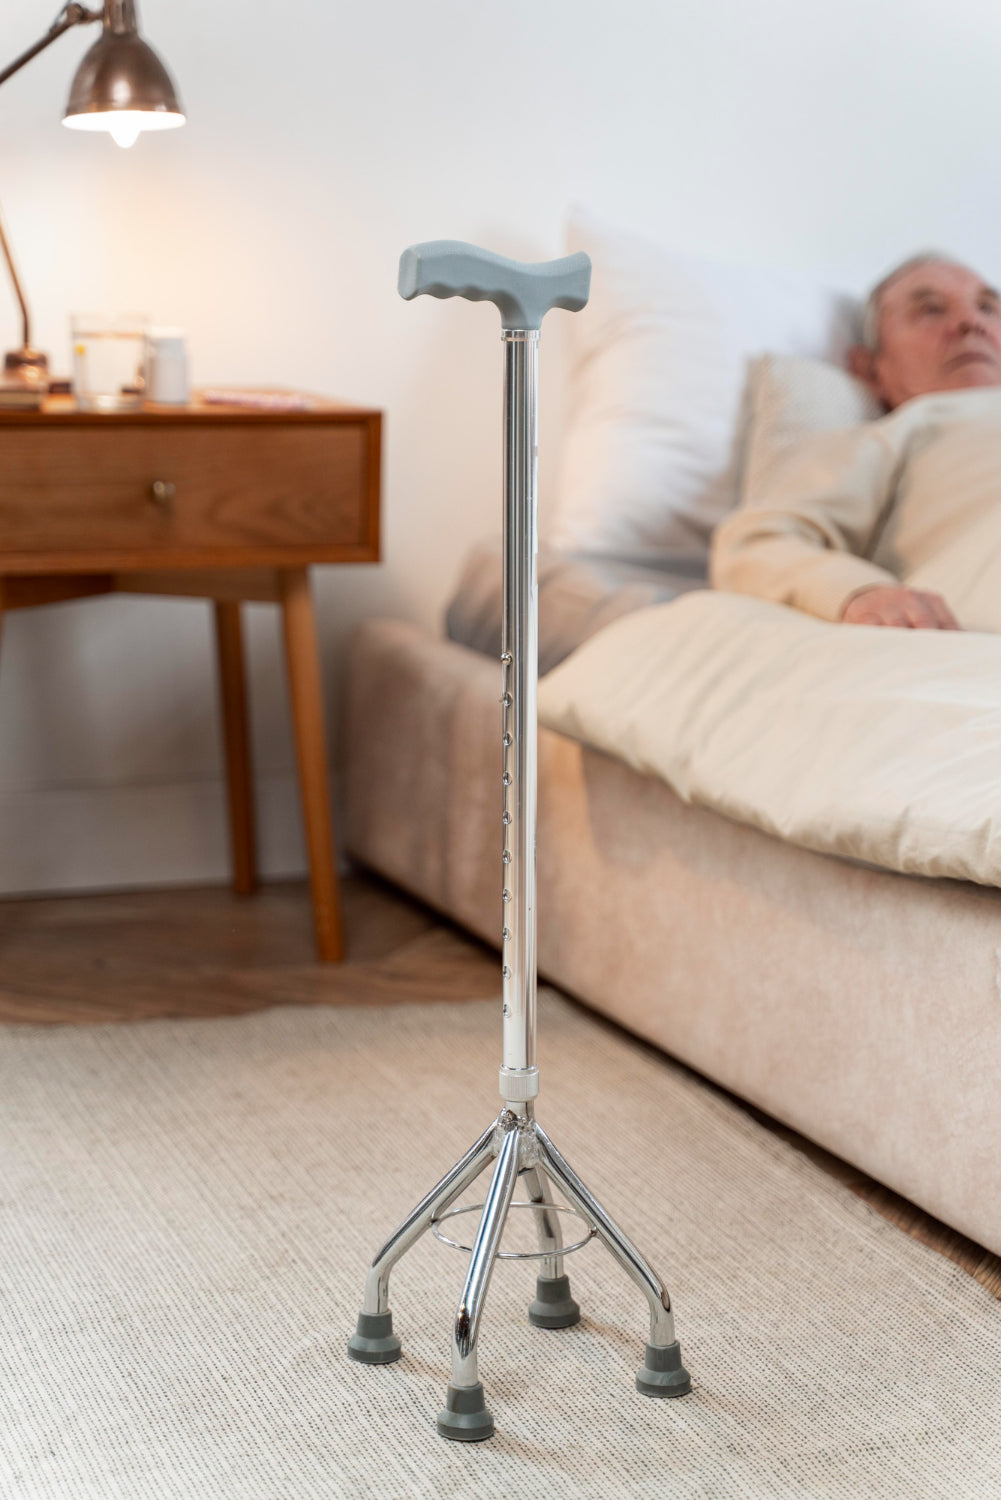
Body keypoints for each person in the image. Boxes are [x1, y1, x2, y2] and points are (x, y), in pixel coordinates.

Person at [711, 254, 1001, 630]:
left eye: (988, 308)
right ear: (869, 370)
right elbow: (755, 544)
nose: (971, 322)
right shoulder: (891, 437)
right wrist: (861, 592)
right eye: (930, 310)